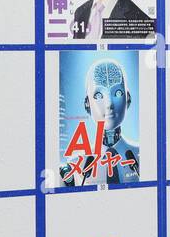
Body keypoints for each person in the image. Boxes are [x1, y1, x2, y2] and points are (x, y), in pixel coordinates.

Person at [59, 57, 140, 186]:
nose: (109, 104)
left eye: (118, 93)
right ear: (87, 104)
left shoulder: (142, 157)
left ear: (128, 99)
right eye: (98, 96)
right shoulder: (74, 167)